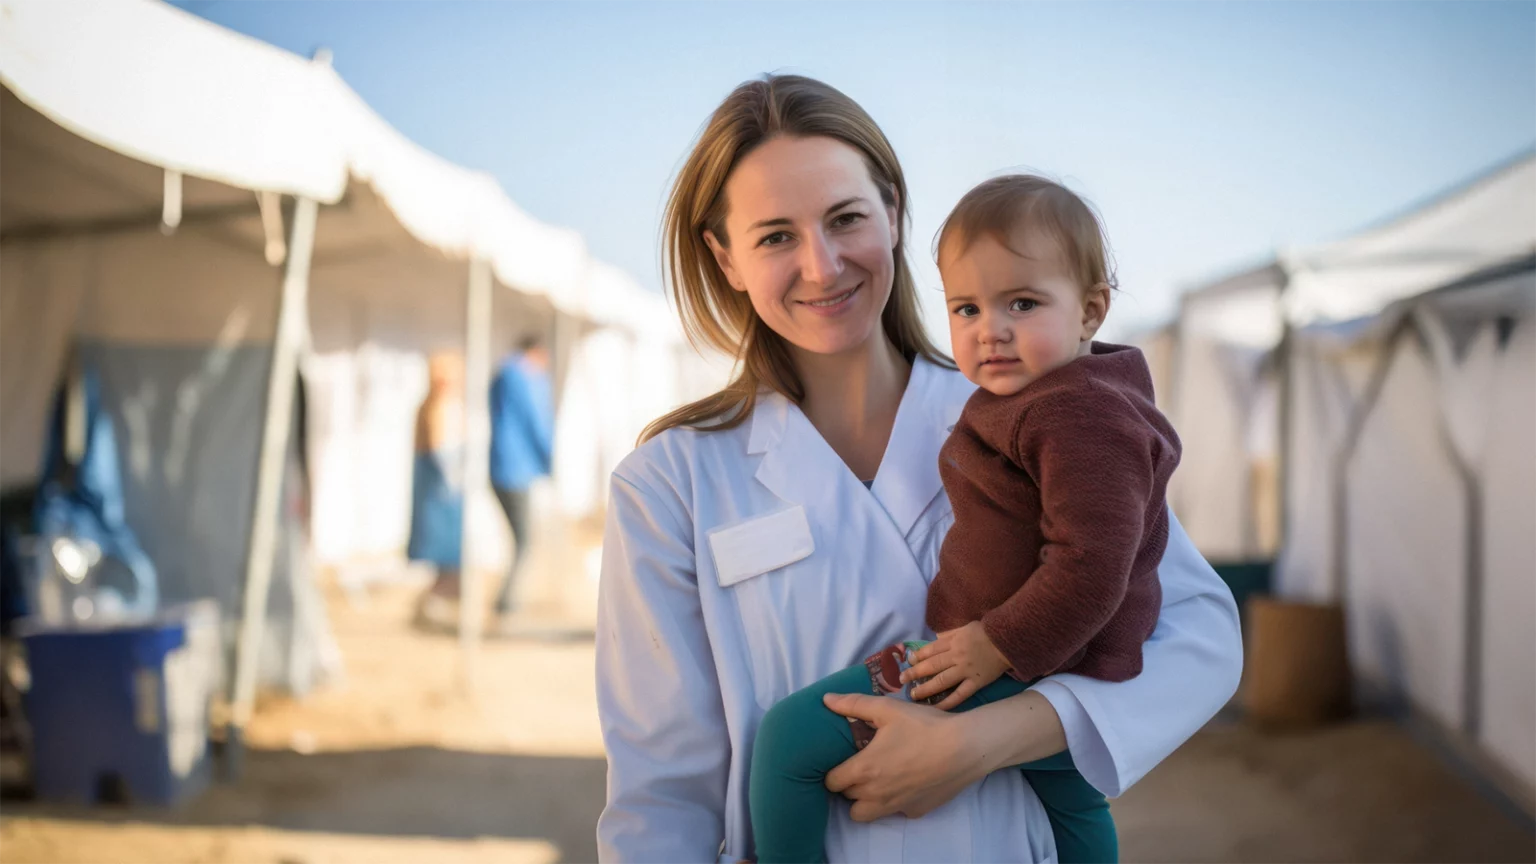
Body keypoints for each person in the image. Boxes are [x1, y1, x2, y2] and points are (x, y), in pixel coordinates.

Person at [594, 74, 1242, 863]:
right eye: (774, 237)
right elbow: (660, 797)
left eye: (845, 219)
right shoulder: (669, 487)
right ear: (724, 257)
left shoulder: (1041, 418)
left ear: (894, 213)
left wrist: (986, 741)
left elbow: (1201, 636)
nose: (823, 265)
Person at [747, 175, 1179, 864]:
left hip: (1013, 661)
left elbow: (1093, 566)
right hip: (1047, 662)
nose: (991, 331)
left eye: (1023, 303)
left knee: (789, 743)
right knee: (1075, 807)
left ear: (1091, 311)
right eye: (967, 308)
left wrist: (996, 645)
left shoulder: (1079, 416)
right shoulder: (1046, 399)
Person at [489, 335, 555, 619]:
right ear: (537, 353)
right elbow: (535, 421)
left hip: (501, 467)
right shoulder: (524, 379)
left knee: (520, 539)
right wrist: (549, 459)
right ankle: (507, 603)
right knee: (525, 540)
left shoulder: (502, 375)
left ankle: (507, 600)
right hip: (515, 471)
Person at [409, 352, 467, 628]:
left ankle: (433, 608)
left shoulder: (442, 404)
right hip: (441, 490)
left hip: (445, 486)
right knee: (446, 555)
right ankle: (430, 608)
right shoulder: (434, 406)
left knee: (451, 559)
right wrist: (451, 478)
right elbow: (437, 446)